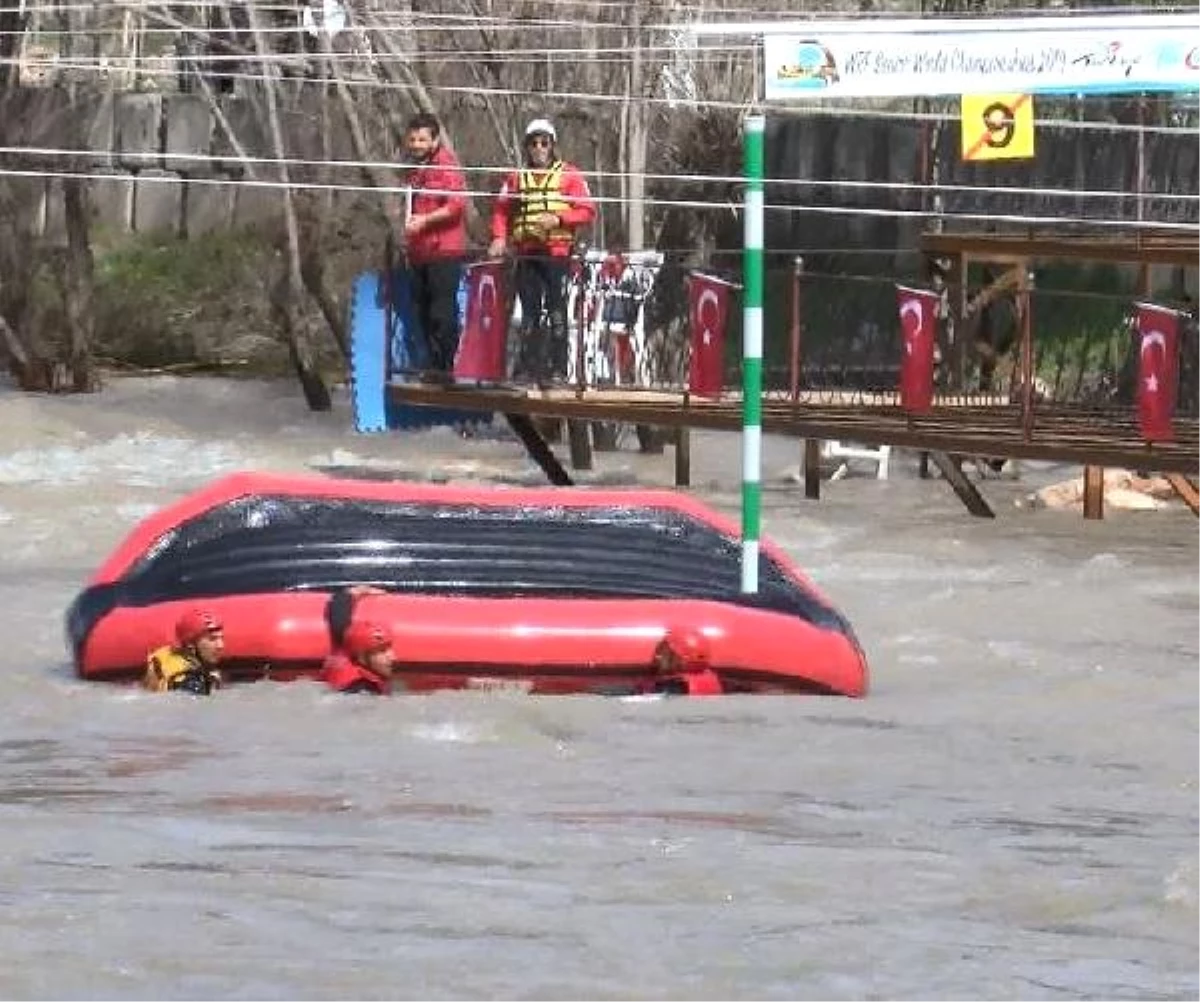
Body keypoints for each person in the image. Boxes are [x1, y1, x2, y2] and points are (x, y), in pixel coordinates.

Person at [488, 117, 596, 385]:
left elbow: (587, 210)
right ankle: (528, 367)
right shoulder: (516, 178)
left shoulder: (569, 175)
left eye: (543, 143)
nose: (538, 148)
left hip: (557, 254)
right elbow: (502, 210)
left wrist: (559, 219)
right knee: (530, 312)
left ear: (552, 146)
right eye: (533, 143)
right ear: (527, 147)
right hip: (528, 253)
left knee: (557, 310)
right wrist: (499, 238)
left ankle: (558, 368)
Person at [389, 112, 468, 382]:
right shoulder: (411, 173)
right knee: (421, 311)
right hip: (418, 252)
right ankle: (432, 367)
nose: (417, 145)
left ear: (434, 140)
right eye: (412, 139)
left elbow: (456, 207)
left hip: (443, 251)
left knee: (441, 313)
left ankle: (445, 368)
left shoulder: (447, 167)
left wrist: (424, 221)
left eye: (423, 139)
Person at [320, 585, 396, 695]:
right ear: (362, 657)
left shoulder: (340, 649)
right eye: (382, 651)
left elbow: (338, 607)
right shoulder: (363, 690)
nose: (393, 657)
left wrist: (361, 589)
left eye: (389, 648)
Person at [143, 608, 225, 695]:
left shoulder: (167, 656)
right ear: (190, 644)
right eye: (212, 639)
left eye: (221, 638)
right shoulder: (191, 683)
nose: (220, 645)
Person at [649, 627, 723, 697]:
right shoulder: (717, 680)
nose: (658, 657)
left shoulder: (672, 686)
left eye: (664, 653)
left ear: (681, 658)